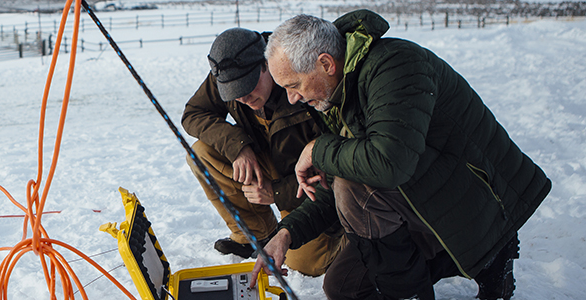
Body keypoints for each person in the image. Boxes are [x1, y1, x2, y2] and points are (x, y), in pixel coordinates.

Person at [249, 10, 551, 300]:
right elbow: (340, 177)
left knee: (352, 184)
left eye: (293, 85)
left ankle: (480, 261)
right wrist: (287, 232)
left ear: (326, 63)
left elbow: (388, 163)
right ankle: (425, 271)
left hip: (475, 204)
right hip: (420, 199)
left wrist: (318, 149)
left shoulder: (396, 67)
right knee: (344, 287)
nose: (292, 98)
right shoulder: (340, 91)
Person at [182, 27, 343, 277]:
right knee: (201, 153)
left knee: (304, 263)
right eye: (234, 92)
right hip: (266, 161)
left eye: (248, 86)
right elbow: (193, 114)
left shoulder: (302, 78)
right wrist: (238, 146)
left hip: (308, 185)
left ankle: (343, 244)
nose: (244, 97)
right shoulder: (229, 70)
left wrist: (276, 193)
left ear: (266, 64)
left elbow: (334, 174)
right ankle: (255, 233)